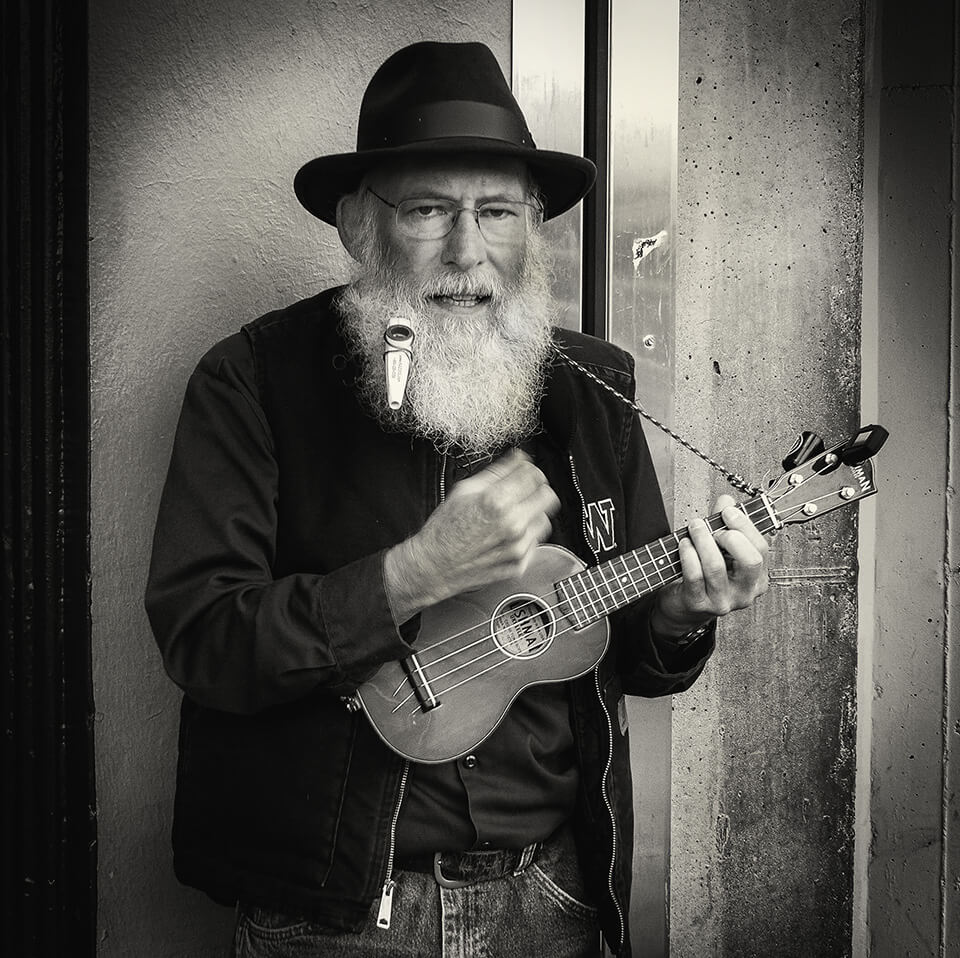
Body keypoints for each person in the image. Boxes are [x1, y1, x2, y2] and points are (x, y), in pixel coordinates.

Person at [145, 41, 769, 958]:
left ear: (536, 225)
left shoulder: (593, 387)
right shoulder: (252, 381)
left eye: (499, 212)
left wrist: (680, 613)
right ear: (361, 227)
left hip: (552, 896)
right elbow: (204, 640)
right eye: (431, 209)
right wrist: (409, 577)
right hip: (337, 919)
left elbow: (628, 653)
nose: (469, 252)